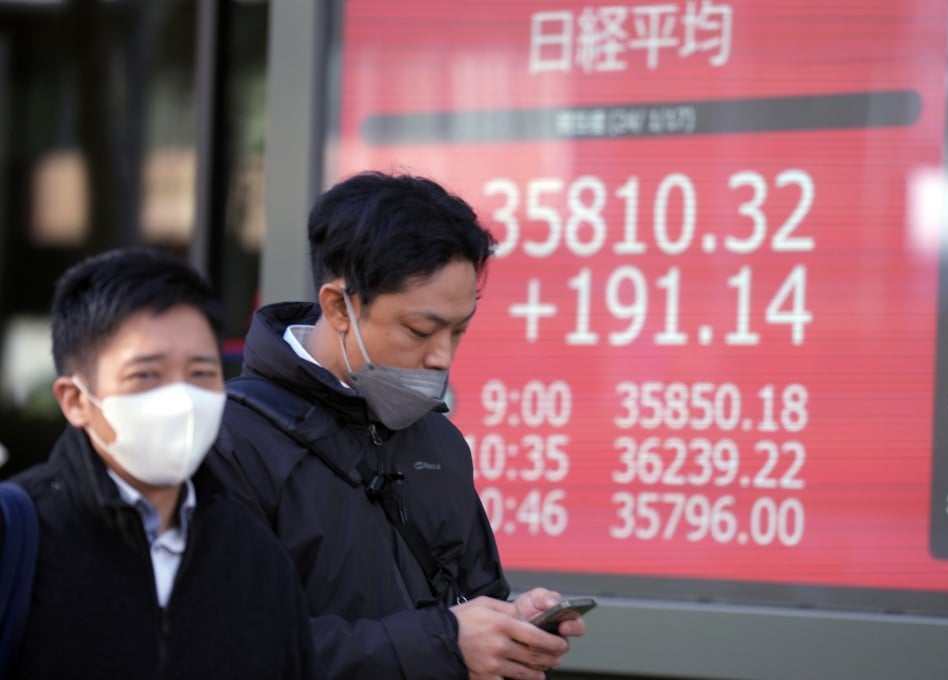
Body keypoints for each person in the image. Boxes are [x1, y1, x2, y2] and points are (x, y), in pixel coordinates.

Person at [206, 171, 587, 679]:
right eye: (421, 330)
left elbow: (470, 601)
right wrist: (446, 644)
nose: (441, 356)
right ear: (339, 305)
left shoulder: (440, 443)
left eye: (460, 331)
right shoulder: (228, 442)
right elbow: (226, 647)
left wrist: (510, 626)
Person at [10, 247, 322, 679]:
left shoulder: (254, 552)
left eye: (201, 373)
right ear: (76, 400)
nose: (181, 400)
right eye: (146, 375)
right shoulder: (22, 538)